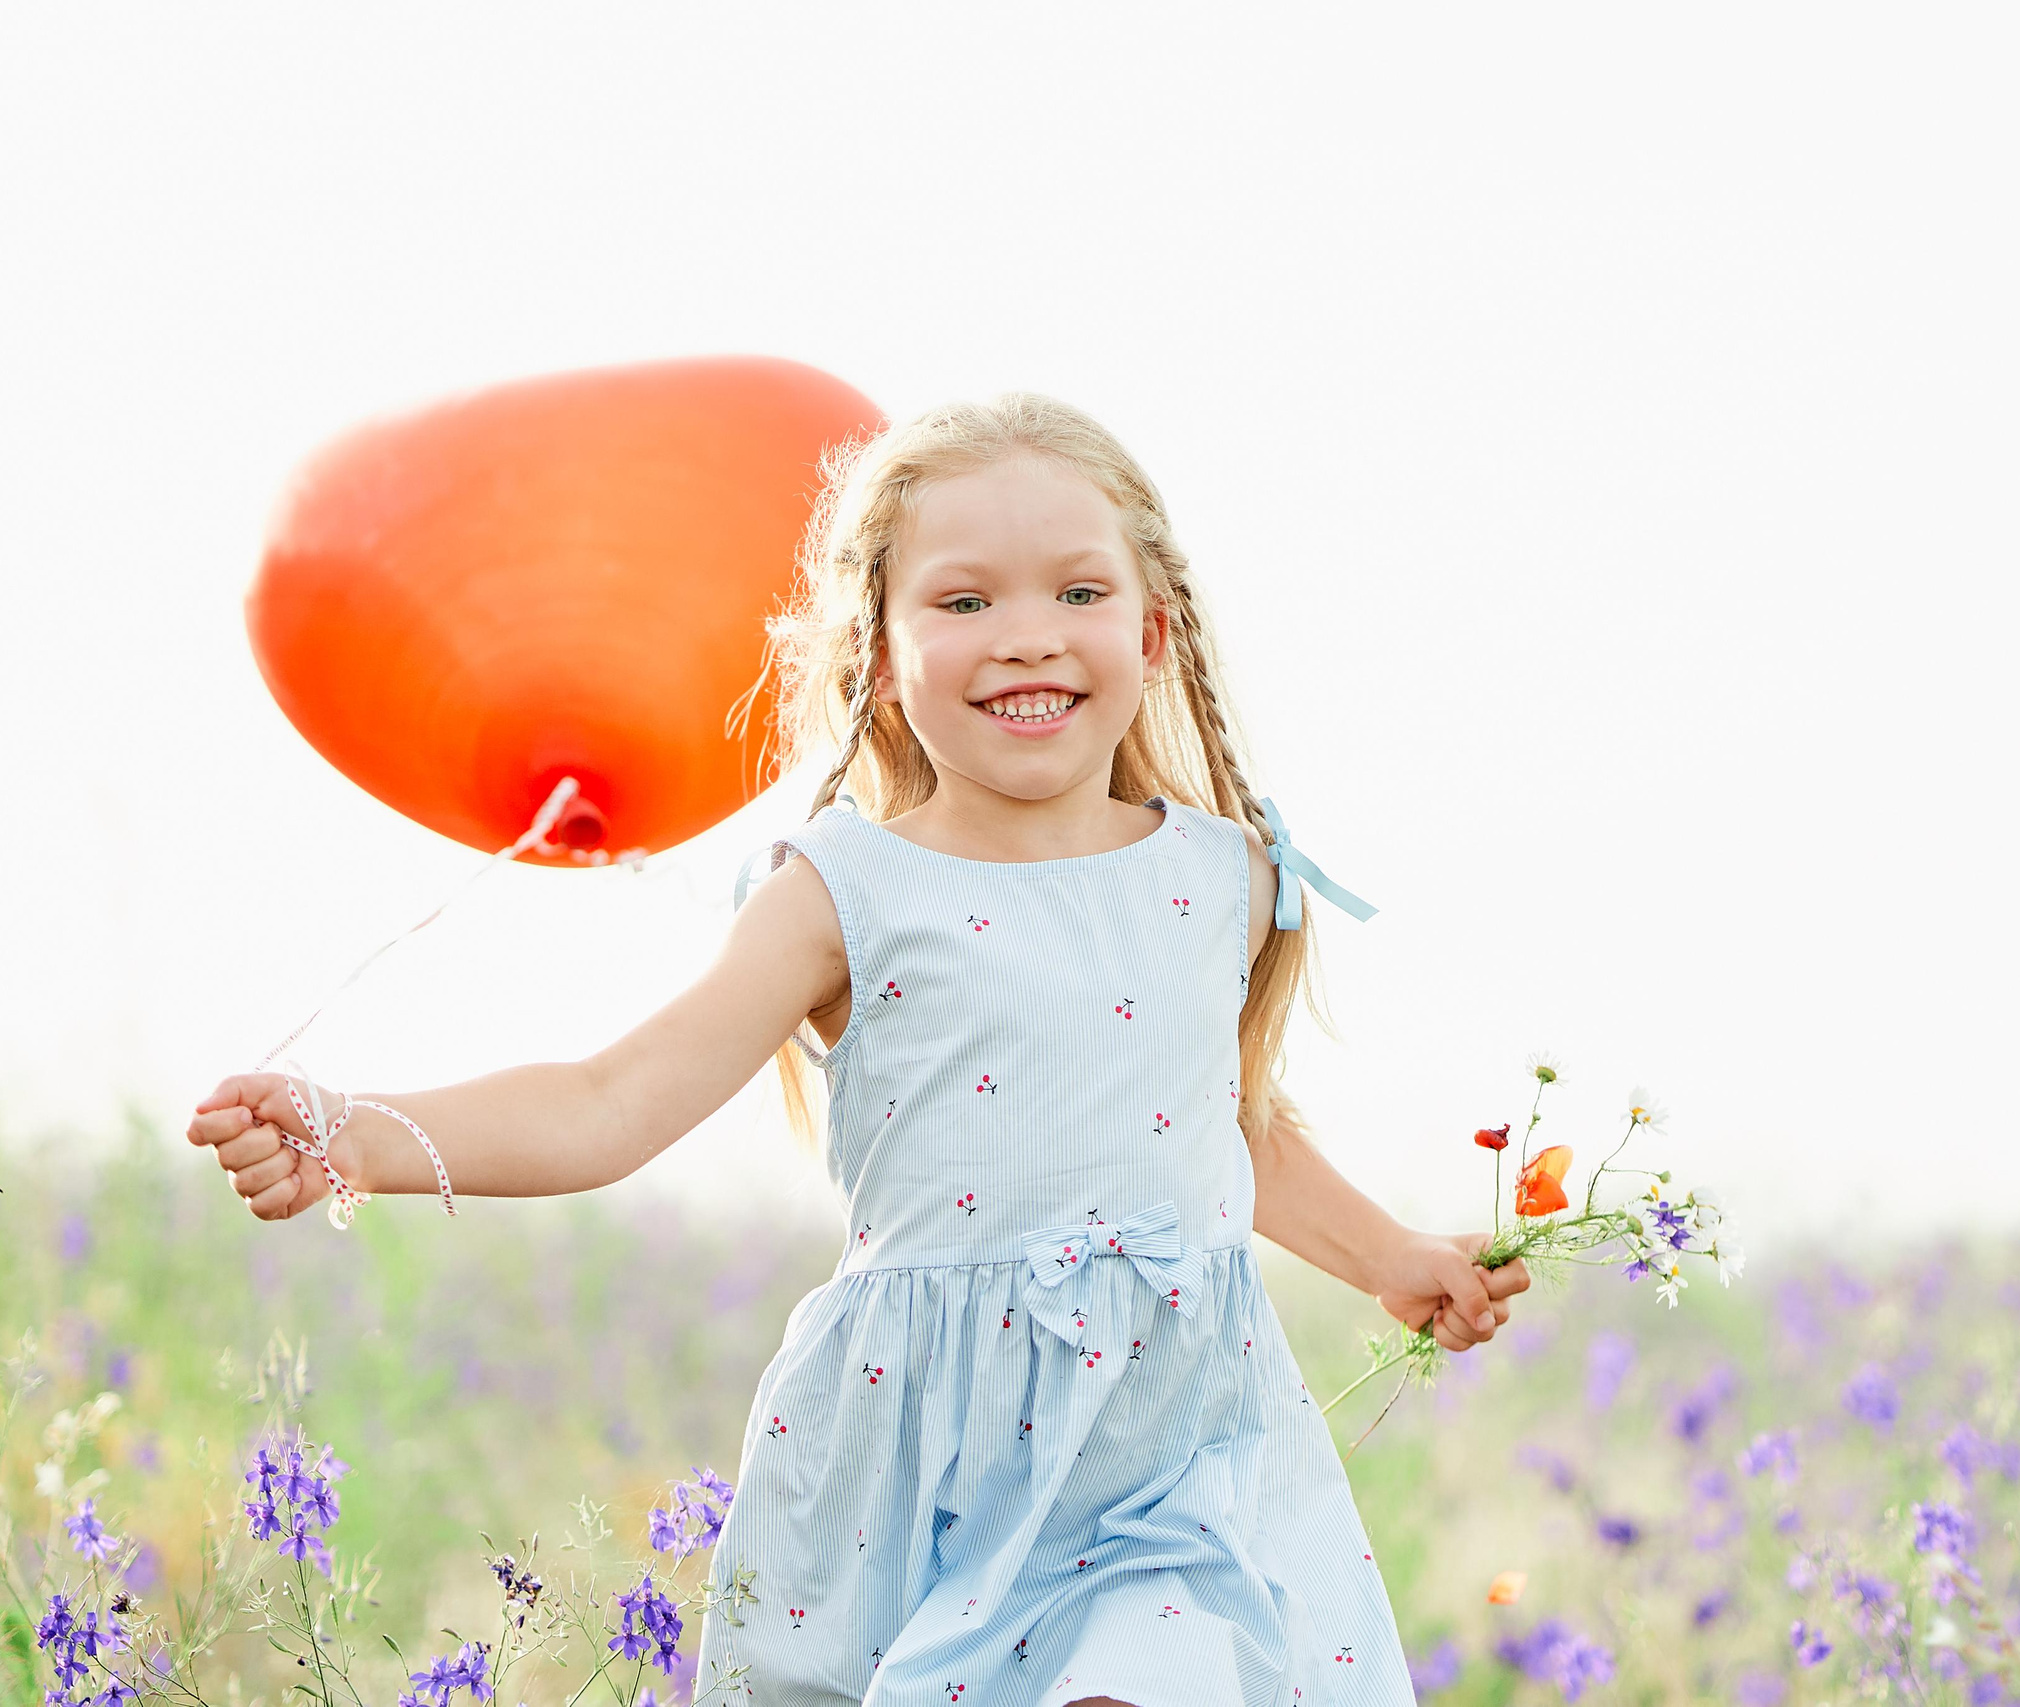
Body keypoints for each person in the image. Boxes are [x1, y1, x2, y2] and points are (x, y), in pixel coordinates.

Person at [187, 393, 1530, 1707]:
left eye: (1077, 594)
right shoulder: (846, 891)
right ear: (879, 654)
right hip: (926, 1457)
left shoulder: (1224, 876)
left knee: (1146, 1676)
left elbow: (1231, 1125)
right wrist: (357, 1129)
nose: (1025, 639)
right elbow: (612, 1099)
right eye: (962, 602)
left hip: (1168, 1455)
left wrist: (1394, 1259)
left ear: (1154, 631)